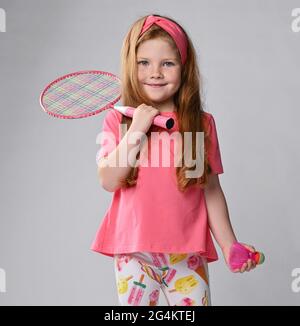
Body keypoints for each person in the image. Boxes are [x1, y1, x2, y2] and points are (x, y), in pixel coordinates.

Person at [91, 14, 258, 306]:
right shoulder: (119, 120)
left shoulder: (198, 124)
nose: (155, 72)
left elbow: (210, 190)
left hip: (186, 255)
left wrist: (230, 244)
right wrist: (138, 130)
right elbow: (108, 180)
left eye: (167, 63)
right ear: (131, 66)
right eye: (144, 63)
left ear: (184, 68)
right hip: (134, 253)